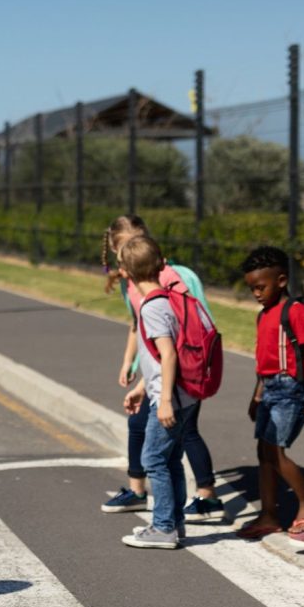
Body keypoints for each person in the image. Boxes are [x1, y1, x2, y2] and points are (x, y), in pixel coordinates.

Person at [99, 215, 224, 523]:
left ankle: (178, 514)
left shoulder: (167, 283)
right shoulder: (134, 286)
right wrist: (131, 364)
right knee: (158, 444)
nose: (130, 252)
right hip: (159, 376)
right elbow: (137, 324)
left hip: (178, 378)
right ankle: (161, 509)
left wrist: (160, 392)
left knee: (163, 452)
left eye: (135, 246)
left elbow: (176, 342)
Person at [120, 235, 202, 548]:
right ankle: (175, 523)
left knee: (153, 458)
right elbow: (160, 357)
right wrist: (142, 387)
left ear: (126, 272)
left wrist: (164, 400)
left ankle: (164, 527)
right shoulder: (168, 300)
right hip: (184, 396)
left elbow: (168, 354)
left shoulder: (151, 307)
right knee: (170, 460)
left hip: (171, 399)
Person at [237, 246, 304, 541]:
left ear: (281, 281)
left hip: (291, 390)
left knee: (276, 452)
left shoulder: (295, 311)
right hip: (269, 389)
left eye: (260, 287)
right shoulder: (262, 315)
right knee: (263, 453)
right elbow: (263, 362)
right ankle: (269, 514)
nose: (256, 293)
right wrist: (257, 396)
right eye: (252, 288)